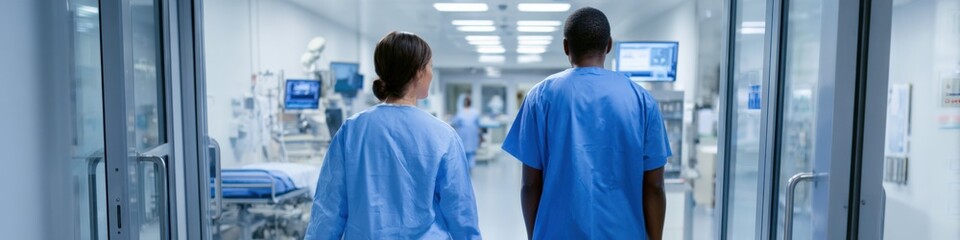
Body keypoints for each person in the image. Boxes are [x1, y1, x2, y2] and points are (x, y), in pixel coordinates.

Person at [501, 7, 671, 240]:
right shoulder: (642, 100)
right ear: (608, 45)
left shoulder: (539, 97)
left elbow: (530, 185)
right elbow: (654, 186)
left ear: (566, 47)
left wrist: (536, 235)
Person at [305, 31, 481, 240]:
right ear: (418, 73)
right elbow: (461, 213)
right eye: (430, 67)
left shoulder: (352, 130)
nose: (431, 74)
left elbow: (328, 210)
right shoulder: (443, 136)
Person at [452, 96, 481, 169]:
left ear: (464, 103)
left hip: (463, 134)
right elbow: (478, 123)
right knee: (472, 153)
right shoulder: (475, 112)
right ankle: (470, 168)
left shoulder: (460, 112)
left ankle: (465, 169)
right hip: (472, 135)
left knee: (463, 152)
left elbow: (455, 122)